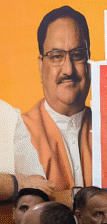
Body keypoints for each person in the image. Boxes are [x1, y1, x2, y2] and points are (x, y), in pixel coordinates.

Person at [20, 6, 92, 206]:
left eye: (77, 55)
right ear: (41, 64)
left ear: (89, 62)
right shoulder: (15, 134)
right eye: (56, 56)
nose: (68, 69)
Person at [0, 99, 52, 203]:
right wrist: (20, 184)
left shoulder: (7, 112)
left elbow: (38, 183)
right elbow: (31, 184)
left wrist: (12, 185)